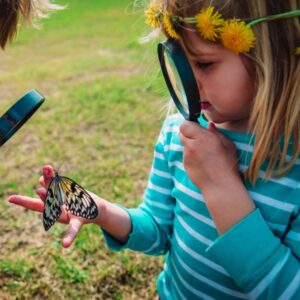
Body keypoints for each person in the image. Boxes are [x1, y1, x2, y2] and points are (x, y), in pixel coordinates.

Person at [8, 0, 300, 299]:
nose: (189, 83)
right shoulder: (179, 134)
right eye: (182, 64)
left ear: (275, 53)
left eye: (204, 64)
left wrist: (222, 187)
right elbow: (159, 231)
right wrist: (103, 212)